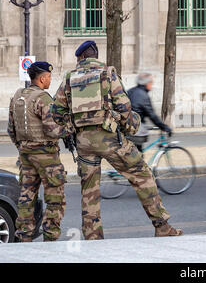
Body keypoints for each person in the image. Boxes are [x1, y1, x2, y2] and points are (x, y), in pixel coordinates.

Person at [52, 40, 183, 239]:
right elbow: (124, 106)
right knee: (142, 175)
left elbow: (56, 111)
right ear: (95, 55)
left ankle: (93, 236)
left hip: (84, 144)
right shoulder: (107, 74)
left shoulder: (69, 78)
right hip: (111, 140)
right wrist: (124, 126)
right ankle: (162, 227)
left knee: (89, 191)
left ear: (80, 58)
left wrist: (71, 128)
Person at [8, 61, 71, 242]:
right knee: (55, 198)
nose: (50, 81)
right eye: (49, 77)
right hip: (46, 156)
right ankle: (50, 238)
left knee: (26, 196)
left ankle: (24, 237)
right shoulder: (43, 98)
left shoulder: (17, 96)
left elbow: (11, 130)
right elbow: (52, 130)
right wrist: (67, 130)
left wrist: (23, 146)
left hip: (26, 155)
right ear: (43, 78)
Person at [127, 72, 172, 152]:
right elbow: (152, 115)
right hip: (136, 129)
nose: (152, 85)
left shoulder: (130, 91)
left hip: (127, 127)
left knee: (134, 153)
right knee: (138, 157)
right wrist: (164, 127)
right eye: (151, 82)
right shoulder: (143, 96)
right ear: (146, 83)